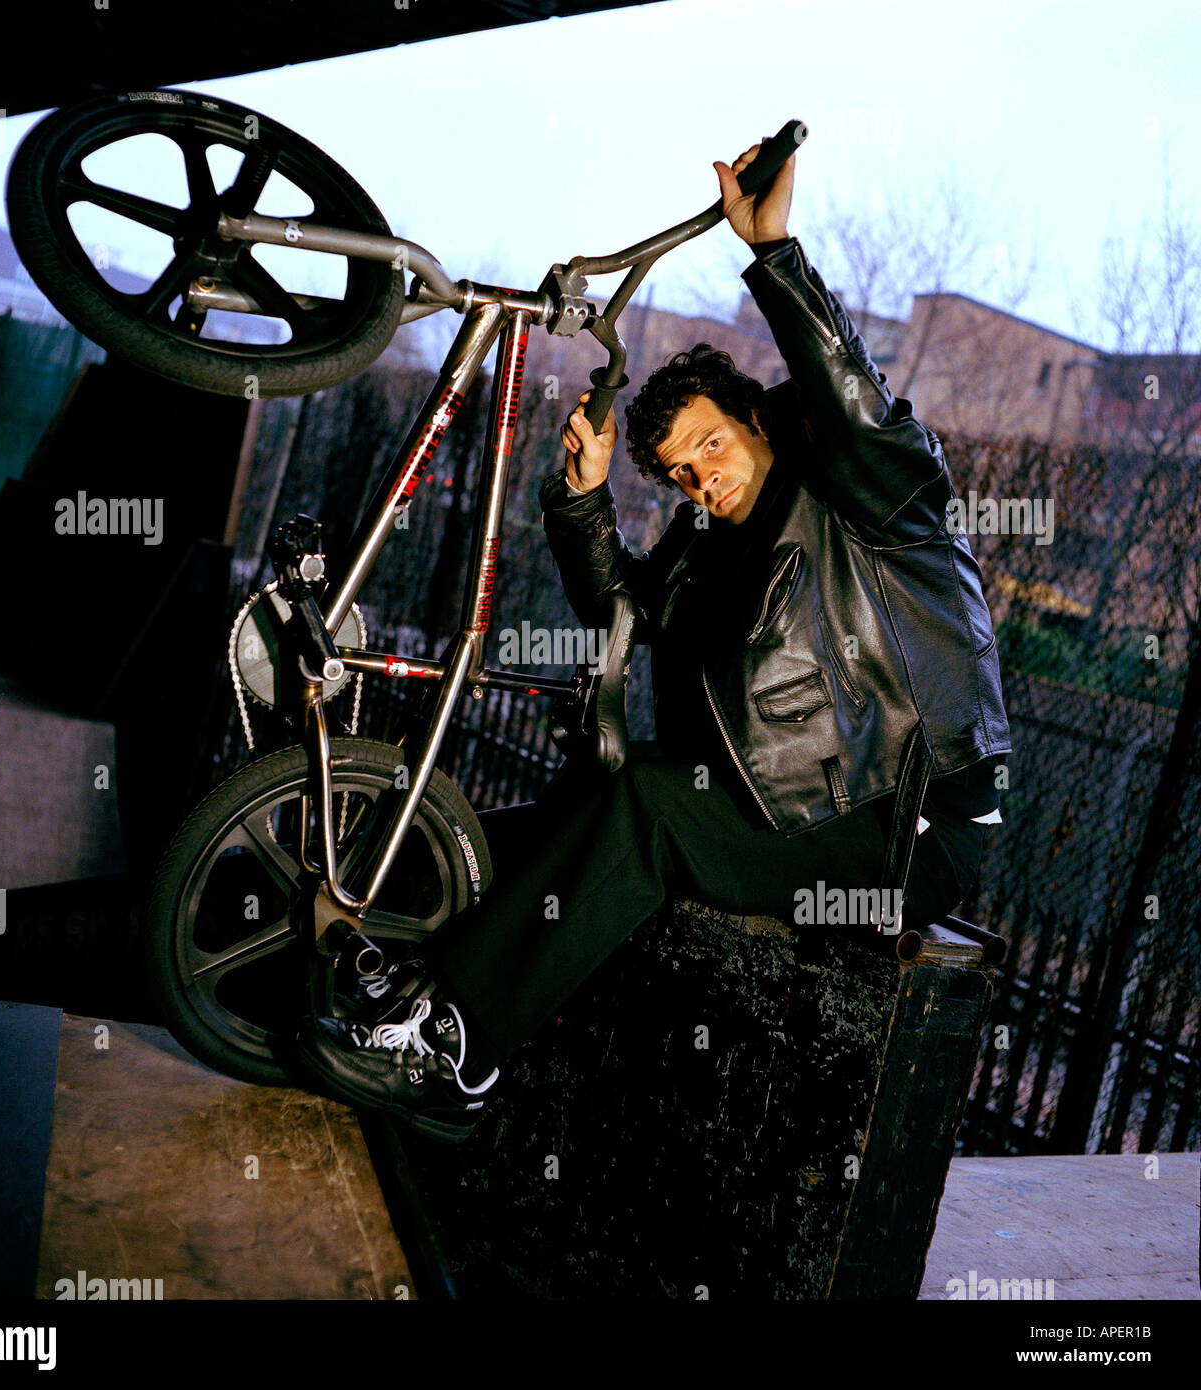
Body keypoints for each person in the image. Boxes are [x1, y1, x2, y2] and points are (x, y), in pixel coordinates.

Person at [295, 139, 1012, 1143]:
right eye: (679, 470)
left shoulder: (871, 496)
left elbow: (854, 405)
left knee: (645, 808)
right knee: (567, 809)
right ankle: (394, 973)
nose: (700, 479)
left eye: (712, 446)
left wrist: (775, 254)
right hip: (805, 804)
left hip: (907, 824)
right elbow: (625, 616)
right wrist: (585, 501)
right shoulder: (714, 535)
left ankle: (463, 1052)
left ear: (759, 423)